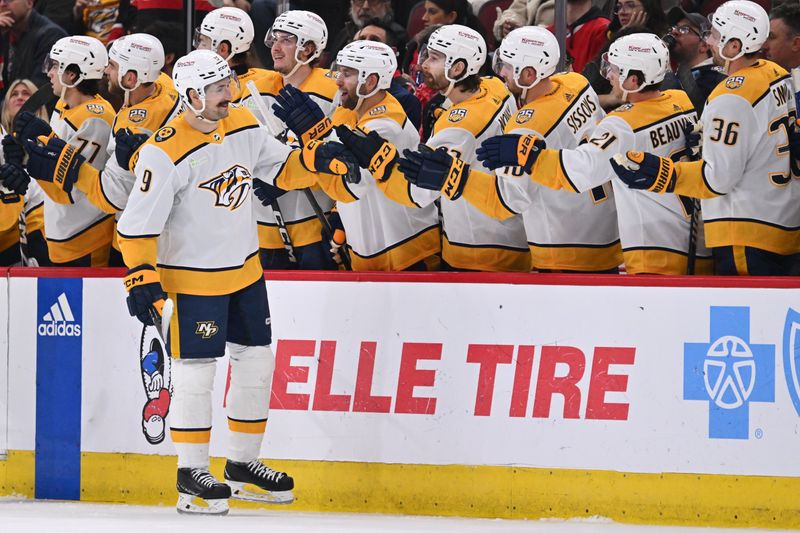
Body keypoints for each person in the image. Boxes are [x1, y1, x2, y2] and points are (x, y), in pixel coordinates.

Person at [116, 49, 355, 514]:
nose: (230, 93)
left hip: (246, 272)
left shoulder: (244, 122)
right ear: (191, 96)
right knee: (196, 373)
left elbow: (282, 169)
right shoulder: (162, 152)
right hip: (192, 282)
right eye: (219, 88)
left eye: (228, 84)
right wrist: (140, 276)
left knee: (257, 363)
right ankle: (191, 473)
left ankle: (243, 465)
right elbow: (136, 224)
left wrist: (321, 159)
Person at [475, 32, 713, 275]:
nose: (608, 75)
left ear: (634, 80)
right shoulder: (680, 101)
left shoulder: (621, 125)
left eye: (616, 69)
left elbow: (583, 170)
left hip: (656, 252)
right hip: (697, 244)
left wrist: (530, 155)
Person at [611, 1, 800, 275]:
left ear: (735, 46)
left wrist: (665, 174)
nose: (709, 41)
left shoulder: (730, 96)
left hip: (746, 232)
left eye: (715, 35)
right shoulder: (778, 75)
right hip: (783, 223)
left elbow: (718, 179)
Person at [420, 26, 622, 273]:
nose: (501, 72)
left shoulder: (526, 128)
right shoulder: (577, 83)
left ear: (528, 74)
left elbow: (506, 201)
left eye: (507, 65)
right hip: (607, 233)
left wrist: (455, 178)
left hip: (563, 248)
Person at [338, 24, 528, 272]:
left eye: (434, 58)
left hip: (478, 252)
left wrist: (380, 162)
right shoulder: (495, 86)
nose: (422, 64)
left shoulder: (457, 127)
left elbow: (419, 193)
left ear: (458, 68)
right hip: (511, 235)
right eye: (426, 54)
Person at [277, 40, 440, 270]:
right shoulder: (349, 110)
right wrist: (339, 219)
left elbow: (348, 184)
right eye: (339, 71)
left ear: (371, 81)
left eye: (347, 73)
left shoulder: (384, 127)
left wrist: (313, 139)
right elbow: (331, 164)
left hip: (408, 251)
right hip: (371, 248)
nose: (338, 81)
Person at [46, 33, 180, 267]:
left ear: (131, 78)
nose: (106, 70)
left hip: (143, 236)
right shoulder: (164, 85)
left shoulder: (133, 126)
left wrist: (70, 166)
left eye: (114, 65)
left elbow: (112, 196)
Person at [2, 35, 116, 267]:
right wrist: (25, 168)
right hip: (62, 235)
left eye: (54, 66)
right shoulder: (65, 105)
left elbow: (69, 191)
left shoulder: (95, 119)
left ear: (72, 74)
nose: (49, 73)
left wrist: (34, 159)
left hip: (86, 239)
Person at [241, 9, 341, 270]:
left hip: (315, 225)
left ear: (308, 49)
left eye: (286, 40)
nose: (275, 47)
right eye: (274, 39)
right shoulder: (261, 87)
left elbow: (339, 157)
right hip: (266, 228)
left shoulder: (334, 91)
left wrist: (287, 176)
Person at [353, 19, 421, 130]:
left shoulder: (405, 97)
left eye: (374, 40)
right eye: (361, 39)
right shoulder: (342, 84)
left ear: (392, 52)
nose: (365, 44)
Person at [664, 6, 725, 113]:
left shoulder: (714, 78)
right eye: (674, 28)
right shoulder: (681, 73)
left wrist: (664, 68)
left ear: (704, 45)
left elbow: (686, 110)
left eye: (684, 29)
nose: (674, 32)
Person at [0, 0, 67, 95]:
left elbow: (39, 90)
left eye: (9, 0)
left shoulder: (50, 36)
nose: (2, 4)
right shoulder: (4, 31)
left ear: (29, 3)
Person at [326, 0, 407, 68]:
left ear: (386, 5)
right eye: (360, 1)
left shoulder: (397, 35)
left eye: (373, 1)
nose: (365, 6)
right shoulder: (345, 33)